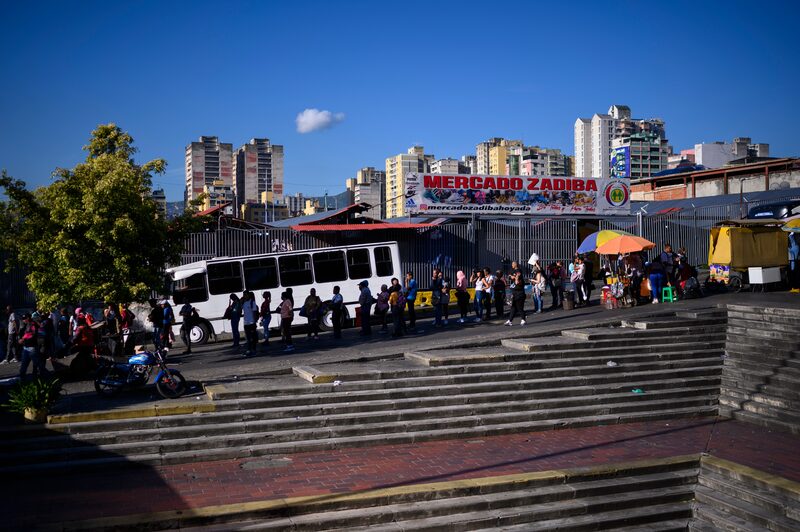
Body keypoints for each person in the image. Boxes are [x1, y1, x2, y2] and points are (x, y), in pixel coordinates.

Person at [242, 291, 260, 356]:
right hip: (246, 323)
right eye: (244, 295)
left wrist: (255, 321)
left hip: (252, 323)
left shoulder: (252, 302)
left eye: (245, 295)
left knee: (253, 338)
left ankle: (254, 350)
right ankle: (249, 350)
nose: (244, 296)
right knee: (248, 338)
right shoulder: (244, 303)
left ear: (248, 295)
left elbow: (254, 312)